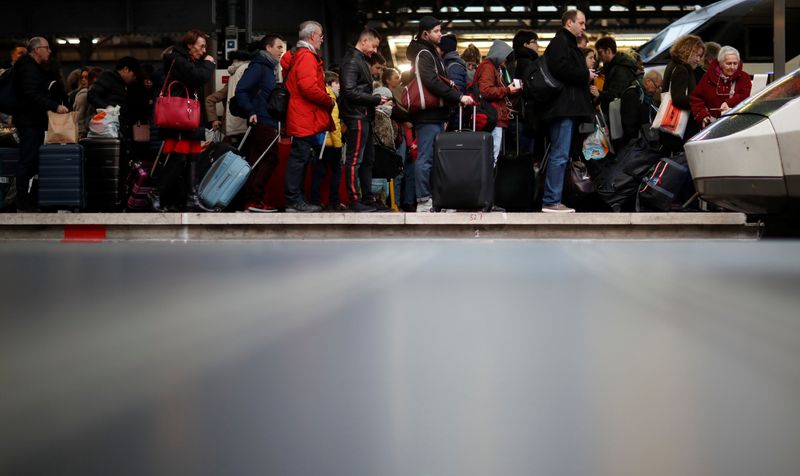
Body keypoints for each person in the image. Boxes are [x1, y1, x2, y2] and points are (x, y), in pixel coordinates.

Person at [406, 15, 474, 212]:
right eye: (436, 31)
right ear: (425, 34)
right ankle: (424, 201)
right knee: (426, 158)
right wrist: (458, 97)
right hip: (429, 115)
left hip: (435, 114)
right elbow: (432, 81)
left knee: (433, 159)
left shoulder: (429, 52)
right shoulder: (424, 54)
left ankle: (435, 201)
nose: (440, 34)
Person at [540, 10, 597, 213]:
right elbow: (560, 69)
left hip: (565, 108)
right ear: (569, 23)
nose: (584, 27)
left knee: (561, 154)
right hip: (562, 109)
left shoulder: (565, 42)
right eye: (581, 23)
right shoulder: (560, 42)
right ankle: (551, 200)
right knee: (560, 155)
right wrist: (585, 74)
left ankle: (554, 199)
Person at [152, 30, 216, 212]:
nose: (203, 50)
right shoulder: (177, 59)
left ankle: (190, 198)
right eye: (201, 46)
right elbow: (199, 77)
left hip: (188, 118)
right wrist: (209, 63)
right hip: (179, 118)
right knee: (179, 159)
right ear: (189, 45)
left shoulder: (188, 61)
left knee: (192, 158)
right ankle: (158, 192)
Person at [281, 20, 334, 213]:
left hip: (300, 113)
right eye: (320, 36)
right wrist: (328, 100)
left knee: (300, 157)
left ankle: (297, 199)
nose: (322, 39)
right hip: (304, 115)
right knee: (300, 158)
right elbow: (308, 87)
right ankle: (294, 200)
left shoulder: (298, 55)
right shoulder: (307, 57)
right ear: (312, 36)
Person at [11, 37, 70, 211]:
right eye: (47, 48)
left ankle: (30, 200)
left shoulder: (32, 67)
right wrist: (55, 106)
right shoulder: (28, 68)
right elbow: (31, 94)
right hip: (29, 123)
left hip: (32, 122)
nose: (49, 51)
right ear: (37, 50)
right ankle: (23, 203)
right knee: (27, 161)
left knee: (32, 161)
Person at [234, 34, 286, 212]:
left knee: (257, 160)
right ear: (268, 48)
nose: (281, 51)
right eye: (279, 47)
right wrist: (251, 111)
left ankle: (251, 200)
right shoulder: (259, 67)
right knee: (270, 158)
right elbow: (241, 90)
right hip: (261, 119)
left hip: (267, 120)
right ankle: (254, 199)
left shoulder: (270, 68)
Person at [340, 27, 388, 212]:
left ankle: (368, 198)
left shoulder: (358, 59)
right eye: (374, 46)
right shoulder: (353, 60)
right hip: (357, 116)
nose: (375, 51)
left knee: (367, 160)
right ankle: (354, 199)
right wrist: (375, 99)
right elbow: (350, 91)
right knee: (355, 160)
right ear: (364, 41)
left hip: (363, 115)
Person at [475, 40, 522, 164]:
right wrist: (508, 90)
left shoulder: (493, 68)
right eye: (505, 57)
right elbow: (486, 91)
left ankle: (488, 175)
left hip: (493, 116)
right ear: (499, 54)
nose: (506, 60)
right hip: (492, 117)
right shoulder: (488, 67)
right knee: (492, 156)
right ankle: (488, 176)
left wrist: (511, 91)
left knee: (491, 155)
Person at [659, 34, 704, 154]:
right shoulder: (682, 69)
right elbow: (678, 98)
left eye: (700, 56)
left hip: (672, 125)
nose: (698, 60)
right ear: (688, 51)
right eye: (696, 55)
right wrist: (699, 101)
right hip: (681, 126)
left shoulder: (672, 65)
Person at [690, 45, 752, 129]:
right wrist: (703, 115)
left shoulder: (744, 77)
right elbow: (696, 98)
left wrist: (728, 103)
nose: (732, 67)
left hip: (736, 124)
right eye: (728, 63)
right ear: (720, 63)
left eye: (735, 63)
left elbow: (745, 95)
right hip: (712, 126)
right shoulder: (708, 77)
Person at [310, 71, 345, 211]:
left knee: (319, 172)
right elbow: (334, 125)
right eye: (337, 83)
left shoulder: (320, 97)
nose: (339, 86)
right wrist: (338, 145)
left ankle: (315, 200)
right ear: (329, 84)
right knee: (336, 171)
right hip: (330, 143)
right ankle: (334, 201)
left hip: (320, 141)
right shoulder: (331, 100)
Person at [204, 49, 253, 143]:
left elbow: (210, 99)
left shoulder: (232, 78)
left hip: (229, 126)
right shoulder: (248, 71)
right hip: (244, 124)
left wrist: (214, 120)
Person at [88, 56, 141, 137]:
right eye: (134, 74)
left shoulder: (126, 84)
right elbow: (92, 94)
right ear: (126, 69)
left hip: (119, 129)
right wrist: (106, 107)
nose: (134, 78)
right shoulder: (108, 77)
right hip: (107, 128)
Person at [594, 36, 639, 117]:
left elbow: (616, 95)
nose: (599, 57)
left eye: (600, 53)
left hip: (622, 115)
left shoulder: (621, 69)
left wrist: (599, 94)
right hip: (619, 113)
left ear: (608, 51)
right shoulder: (613, 67)